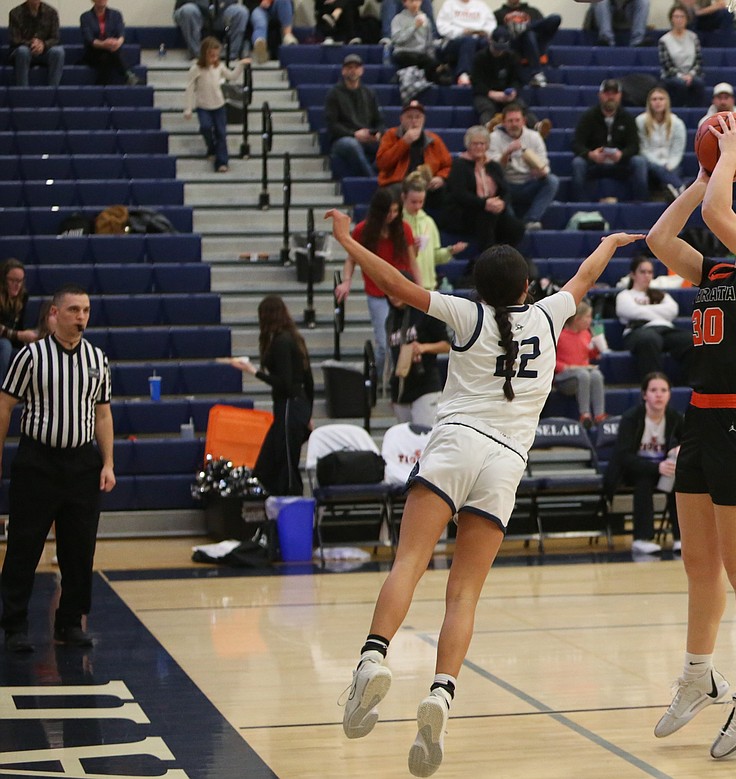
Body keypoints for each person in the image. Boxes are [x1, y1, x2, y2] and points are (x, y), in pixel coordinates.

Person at [327, 204, 641, 776]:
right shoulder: (549, 317)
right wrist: (613, 242)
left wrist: (348, 240)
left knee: (410, 563)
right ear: (527, 286)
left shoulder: (466, 315)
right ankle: (441, 692)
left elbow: (396, 283)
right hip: (506, 463)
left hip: (456, 442)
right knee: (464, 592)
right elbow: (586, 276)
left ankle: (373, 658)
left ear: (479, 286)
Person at [644, 113, 736, 759]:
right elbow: (659, 236)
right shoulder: (716, 271)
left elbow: (720, 214)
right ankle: (700, 674)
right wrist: (705, 173)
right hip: (701, 417)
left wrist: (729, 161)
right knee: (699, 565)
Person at [0, 285, 115, 652]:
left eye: (85, 310)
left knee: (79, 550)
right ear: (54, 314)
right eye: (73, 310)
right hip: (38, 461)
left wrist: (108, 462)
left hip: (82, 462)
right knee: (24, 545)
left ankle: (69, 622)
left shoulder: (98, 358)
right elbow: (5, 406)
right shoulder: (31, 357)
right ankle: (15, 625)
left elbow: (103, 413)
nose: (81, 317)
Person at [335, 185, 420, 387]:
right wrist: (346, 281)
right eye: (388, 211)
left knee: (404, 340)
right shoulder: (363, 230)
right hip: (378, 292)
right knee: (384, 343)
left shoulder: (404, 229)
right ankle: (379, 378)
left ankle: (394, 381)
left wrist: (421, 288)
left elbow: (412, 261)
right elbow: (351, 260)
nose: (392, 215)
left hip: (402, 289)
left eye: (395, 211)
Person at [228, 296, 313, 496]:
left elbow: (284, 383)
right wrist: (308, 411)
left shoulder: (282, 342)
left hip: (288, 407)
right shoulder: (294, 339)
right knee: (269, 463)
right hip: (296, 405)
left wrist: (253, 371)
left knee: (286, 465)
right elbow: (307, 379)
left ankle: (291, 507)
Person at [603, 371, 683, 555]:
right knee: (644, 482)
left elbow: (688, 443)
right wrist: (656, 467)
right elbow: (623, 456)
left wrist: (679, 450)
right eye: (653, 390)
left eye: (663, 390)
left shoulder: (675, 418)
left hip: (665, 469)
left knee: (680, 484)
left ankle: (681, 537)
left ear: (670, 394)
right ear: (644, 394)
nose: (659, 394)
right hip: (633, 469)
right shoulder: (632, 418)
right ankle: (642, 538)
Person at [444, 125, 526, 250]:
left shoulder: (493, 165)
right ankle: (488, 258)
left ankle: (505, 255)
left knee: (517, 227)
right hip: (465, 212)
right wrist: (485, 203)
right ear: (468, 145)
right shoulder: (459, 165)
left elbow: (506, 190)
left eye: (482, 144)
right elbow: (459, 194)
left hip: (491, 210)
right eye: (475, 144)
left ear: (487, 145)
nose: (479, 147)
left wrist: (502, 203)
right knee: (486, 216)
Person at [572, 79, 649, 202]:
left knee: (639, 162)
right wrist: (591, 154)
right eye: (607, 93)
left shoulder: (627, 118)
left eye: (614, 93)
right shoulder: (589, 117)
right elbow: (577, 144)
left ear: (620, 96)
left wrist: (622, 155)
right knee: (578, 163)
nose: (610, 97)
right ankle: (580, 206)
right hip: (595, 164)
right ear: (600, 95)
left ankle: (640, 204)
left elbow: (634, 146)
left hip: (619, 164)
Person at [615, 257, 691, 380]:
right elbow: (628, 311)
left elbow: (673, 310)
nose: (647, 276)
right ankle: (654, 384)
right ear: (633, 275)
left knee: (690, 339)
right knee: (650, 339)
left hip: (664, 330)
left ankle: (692, 384)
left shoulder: (661, 294)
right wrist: (660, 313)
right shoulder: (624, 295)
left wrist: (642, 311)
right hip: (639, 331)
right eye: (643, 272)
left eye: (650, 272)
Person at [184, 37, 250, 173]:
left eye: (216, 55)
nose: (214, 58)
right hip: (203, 107)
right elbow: (189, 88)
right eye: (211, 55)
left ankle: (222, 162)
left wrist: (240, 65)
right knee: (205, 127)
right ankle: (211, 147)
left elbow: (232, 76)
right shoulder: (196, 69)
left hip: (219, 106)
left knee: (221, 133)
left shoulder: (219, 66)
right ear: (204, 54)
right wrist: (188, 108)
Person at [488, 102, 558, 230]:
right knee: (494, 184)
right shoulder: (494, 138)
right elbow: (493, 169)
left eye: (517, 120)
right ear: (503, 122)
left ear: (523, 121)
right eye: (510, 121)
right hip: (506, 184)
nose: (514, 124)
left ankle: (531, 220)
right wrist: (507, 153)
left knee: (552, 181)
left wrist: (540, 171)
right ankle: (513, 224)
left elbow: (545, 166)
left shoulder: (534, 137)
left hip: (528, 183)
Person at [386, 292, 450, 427]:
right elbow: (392, 356)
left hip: (425, 386)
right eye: (389, 293)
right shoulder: (391, 319)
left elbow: (448, 345)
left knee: (425, 438)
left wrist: (423, 347)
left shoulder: (425, 313)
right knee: (405, 443)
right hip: (401, 390)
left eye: (396, 291)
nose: (393, 296)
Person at [376, 100, 453, 203]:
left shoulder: (434, 139)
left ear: (423, 120)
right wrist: (404, 142)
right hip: (399, 183)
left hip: (425, 183)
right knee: (398, 191)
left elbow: (447, 165)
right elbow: (382, 164)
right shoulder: (390, 135)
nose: (414, 121)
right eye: (409, 117)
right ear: (401, 119)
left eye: (417, 117)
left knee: (448, 192)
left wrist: (441, 178)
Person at [402, 170, 467, 290]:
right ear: (403, 197)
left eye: (421, 202)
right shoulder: (398, 222)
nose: (417, 206)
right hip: (405, 284)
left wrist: (450, 251)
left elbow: (435, 256)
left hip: (429, 285)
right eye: (413, 202)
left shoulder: (428, 222)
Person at [326, 54, 385, 180]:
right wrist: (354, 134)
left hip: (368, 137)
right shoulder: (334, 94)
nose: (353, 70)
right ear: (343, 71)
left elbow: (379, 120)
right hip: (343, 139)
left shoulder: (370, 93)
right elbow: (332, 125)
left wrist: (378, 133)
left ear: (361, 70)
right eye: (349, 67)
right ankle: (373, 181)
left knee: (393, 145)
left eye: (356, 67)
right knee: (352, 145)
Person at [554, 300, 608, 427]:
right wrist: (568, 367)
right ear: (577, 319)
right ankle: (585, 415)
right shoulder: (560, 336)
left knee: (596, 375)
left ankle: (599, 414)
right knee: (583, 374)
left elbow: (589, 354)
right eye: (588, 317)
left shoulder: (586, 334)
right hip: (565, 378)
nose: (590, 320)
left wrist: (597, 348)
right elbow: (550, 361)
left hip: (583, 374)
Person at [470, 28, 529, 125]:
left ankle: (536, 126)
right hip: (485, 94)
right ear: (490, 41)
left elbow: (517, 79)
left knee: (519, 107)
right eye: (496, 47)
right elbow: (476, 83)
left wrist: (513, 91)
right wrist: (491, 93)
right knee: (487, 108)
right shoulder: (479, 58)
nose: (499, 51)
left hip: (506, 94)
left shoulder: (512, 57)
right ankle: (488, 127)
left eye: (502, 48)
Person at [637, 86, 687, 200]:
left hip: (671, 164)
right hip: (650, 163)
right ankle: (680, 188)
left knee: (674, 171)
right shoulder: (640, 121)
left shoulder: (677, 123)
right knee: (645, 165)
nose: (657, 102)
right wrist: (660, 165)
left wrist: (669, 165)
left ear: (666, 102)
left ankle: (673, 191)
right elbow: (643, 149)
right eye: (654, 99)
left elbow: (678, 151)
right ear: (649, 102)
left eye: (661, 99)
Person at [494, 0, 560, 85]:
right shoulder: (498, 13)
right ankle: (537, 73)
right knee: (527, 34)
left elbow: (542, 28)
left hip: (535, 45)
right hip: (514, 46)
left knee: (555, 18)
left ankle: (525, 28)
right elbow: (497, 36)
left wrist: (525, 27)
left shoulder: (533, 11)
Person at [435, 0, 496, 85]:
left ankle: (487, 78)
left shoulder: (481, 5)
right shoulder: (449, 4)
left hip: (478, 39)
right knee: (469, 40)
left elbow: (491, 25)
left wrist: (484, 32)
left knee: (486, 43)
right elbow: (442, 27)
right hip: (455, 41)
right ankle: (464, 74)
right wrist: (462, 32)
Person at [388, 0, 445, 90]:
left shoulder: (425, 19)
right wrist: (414, 27)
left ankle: (403, 77)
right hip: (403, 51)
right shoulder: (398, 19)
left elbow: (429, 41)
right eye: (411, 1)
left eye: (417, 1)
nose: (415, 4)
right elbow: (397, 39)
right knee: (415, 60)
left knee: (432, 62)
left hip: (420, 53)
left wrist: (431, 57)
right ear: (405, 3)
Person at [79, 0, 137, 86]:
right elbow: (89, 39)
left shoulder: (116, 15)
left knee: (106, 58)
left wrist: (118, 43)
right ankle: (128, 74)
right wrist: (104, 44)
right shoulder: (85, 17)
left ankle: (100, 88)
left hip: (112, 49)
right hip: (94, 51)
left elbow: (121, 33)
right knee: (109, 55)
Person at [658, 4, 706, 108]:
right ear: (671, 19)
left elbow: (698, 61)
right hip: (671, 75)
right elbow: (667, 66)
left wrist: (691, 75)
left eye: (682, 16)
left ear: (687, 19)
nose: (679, 19)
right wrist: (682, 76)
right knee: (679, 84)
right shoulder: (664, 40)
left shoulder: (693, 37)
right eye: (676, 16)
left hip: (691, 74)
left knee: (699, 83)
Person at [9, 0, 64, 87]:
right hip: (24, 51)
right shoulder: (15, 13)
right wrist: (31, 44)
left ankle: (53, 91)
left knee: (58, 52)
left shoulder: (51, 12)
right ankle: (23, 91)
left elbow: (56, 38)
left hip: (45, 51)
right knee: (22, 51)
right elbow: (15, 40)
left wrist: (43, 44)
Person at [0, 260, 38, 382]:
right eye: (12, 281)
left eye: (20, 281)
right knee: (5, 346)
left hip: (12, 343)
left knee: (31, 351)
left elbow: (21, 326)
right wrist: (18, 335)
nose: (17, 285)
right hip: (4, 343)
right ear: (3, 280)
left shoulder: (23, 298)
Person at [173, 1, 248, 61]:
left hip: (220, 11)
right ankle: (197, 54)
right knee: (188, 11)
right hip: (193, 10)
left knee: (241, 11)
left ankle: (231, 54)